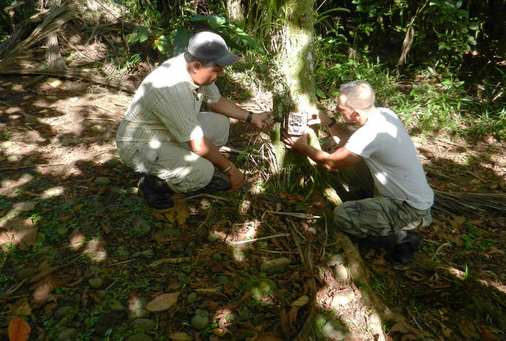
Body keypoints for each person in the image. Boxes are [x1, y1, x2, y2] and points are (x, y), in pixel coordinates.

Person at [116, 31, 272, 210]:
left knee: (220, 125)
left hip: (166, 132)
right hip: (140, 146)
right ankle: (154, 185)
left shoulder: (194, 67)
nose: (221, 74)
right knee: (203, 172)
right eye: (218, 69)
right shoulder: (173, 88)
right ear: (197, 66)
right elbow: (199, 145)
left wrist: (253, 117)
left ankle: (182, 165)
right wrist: (230, 170)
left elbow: (216, 101)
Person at [283, 80, 433, 264]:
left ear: (355, 113)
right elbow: (352, 144)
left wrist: (303, 147)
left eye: (340, 109)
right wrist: (329, 123)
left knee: (342, 216)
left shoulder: (371, 134)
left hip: (408, 208)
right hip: (409, 195)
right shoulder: (385, 114)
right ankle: (371, 206)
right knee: (353, 166)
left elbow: (331, 163)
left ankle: (402, 241)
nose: (337, 110)